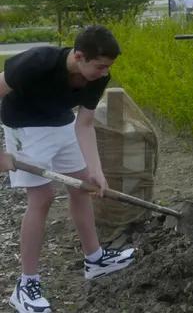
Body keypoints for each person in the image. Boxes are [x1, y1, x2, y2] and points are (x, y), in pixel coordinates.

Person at [0, 25, 135, 313]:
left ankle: (95, 259)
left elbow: (84, 124)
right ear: (78, 56)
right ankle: (26, 286)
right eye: (100, 66)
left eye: (108, 67)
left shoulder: (98, 77)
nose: (104, 73)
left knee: (82, 185)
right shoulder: (35, 63)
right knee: (42, 198)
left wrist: (96, 170)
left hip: (60, 123)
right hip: (24, 126)